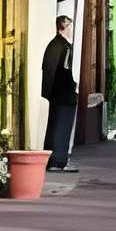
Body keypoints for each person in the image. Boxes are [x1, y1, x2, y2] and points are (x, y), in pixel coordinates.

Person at [41, 14, 79, 171]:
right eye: (70, 26)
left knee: (53, 125)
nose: (72, 29)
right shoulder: (65, 47)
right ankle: (58, 159)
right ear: (64, 27)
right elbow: (66, 71)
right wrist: (73, 86)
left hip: (54, 94)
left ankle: (51, 159)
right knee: (62, 126)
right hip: (64, 95)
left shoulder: (52, 45)